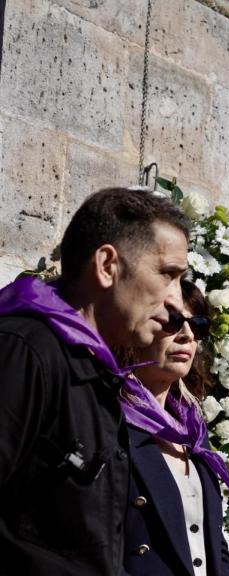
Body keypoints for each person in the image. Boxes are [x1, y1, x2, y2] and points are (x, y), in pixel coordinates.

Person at [0, 188, 190, 575]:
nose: (176, 302)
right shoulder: (26, 351)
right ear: (107, 265)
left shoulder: (96, 378)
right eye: (168, 274)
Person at [119, 280, 229, 576]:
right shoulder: (109, 419)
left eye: (199, 325)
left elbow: (213, 541)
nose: (188, 335)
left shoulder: (192, 430)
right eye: (173, 321)